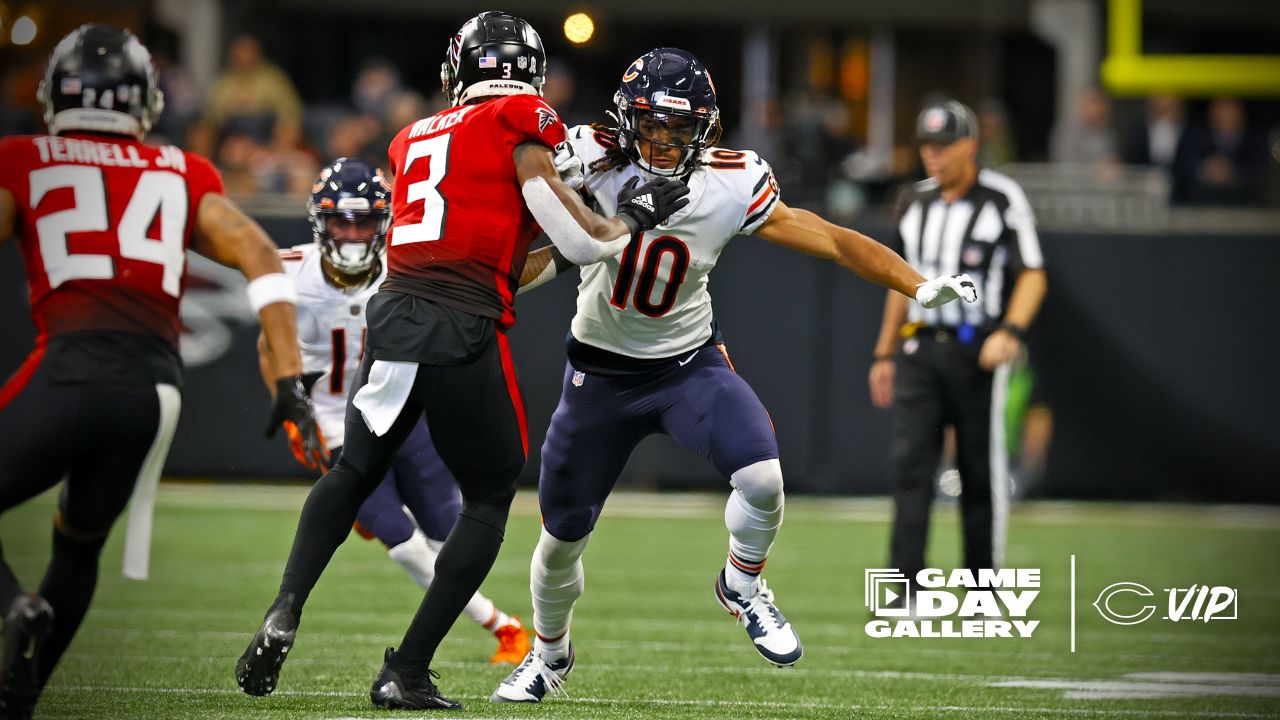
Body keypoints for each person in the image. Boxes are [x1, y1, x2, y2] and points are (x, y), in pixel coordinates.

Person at [491, 48, 977, 703]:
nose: (663, 142)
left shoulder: (730, 180)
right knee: (557, 547)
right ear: (626, 119)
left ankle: (742, 584)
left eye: (679, 128)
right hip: (599, 376)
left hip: (689, 365)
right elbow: (527, 257)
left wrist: (917, 287)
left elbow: (831, 238)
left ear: (707, 128)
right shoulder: (587, 160)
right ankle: (549, 657)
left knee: (764, 479)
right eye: (652, 125)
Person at [235, 12, 689, 711]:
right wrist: (631, 217)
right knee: (490, 495)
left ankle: (284, 607)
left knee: (354, 469)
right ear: (528, 73)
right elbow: (582, 239)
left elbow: (491, 224)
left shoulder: (413, 133)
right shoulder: (521, 115)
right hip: (459, 321)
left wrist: (569, 200)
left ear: (458, 72)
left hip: (393, 309)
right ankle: (406, 669)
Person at [0, 24, 324, 720]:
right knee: (78, 543)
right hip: (154, 392)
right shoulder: (182, 170)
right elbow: (261, 254)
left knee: (60, 545)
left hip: (68, 366)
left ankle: (13, 611)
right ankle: (19, 696)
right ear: (145, 102)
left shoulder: (22, 157)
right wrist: (289, 378)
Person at [256, 157, 537, 666]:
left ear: (385, 219)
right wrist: (293, 405)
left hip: (404, 414)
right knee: (405, 543)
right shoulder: (291, 272)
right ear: (320, 221)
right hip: (338, 428)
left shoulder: (405, 259)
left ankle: (494, 630)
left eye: (365, 220)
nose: (353, 232)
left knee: (452, 534)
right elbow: (267, 345)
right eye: (341, 220)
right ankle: (505, 628)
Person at [868, 100, 1048, 609]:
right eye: (927, 145)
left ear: (970, 145)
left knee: (978, 468)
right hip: (919, 348)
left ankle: (982, 587)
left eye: (943, 145)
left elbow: (1032, 272)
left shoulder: (1000, 197)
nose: (933, 156)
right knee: (910, 466)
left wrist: (1010, 330)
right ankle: (903, 589)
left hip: (977, 351)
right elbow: (897, 284)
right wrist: (883, 353)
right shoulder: (915, 201)